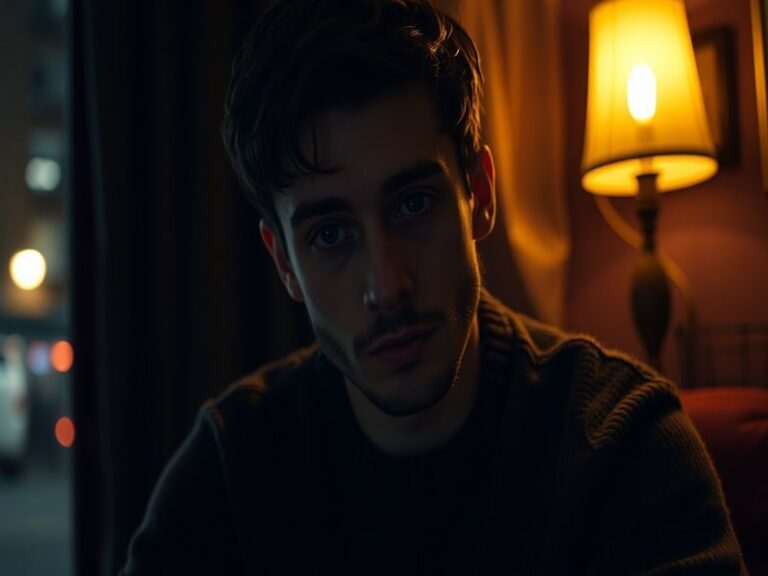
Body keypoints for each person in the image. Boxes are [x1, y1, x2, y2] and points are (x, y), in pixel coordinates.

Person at [120, 0, 747, 574]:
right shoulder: (231, 470)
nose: (387, 286)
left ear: (479, 193)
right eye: (331, 236)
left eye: (414, 203)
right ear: (283, 263)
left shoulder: (622, 445)